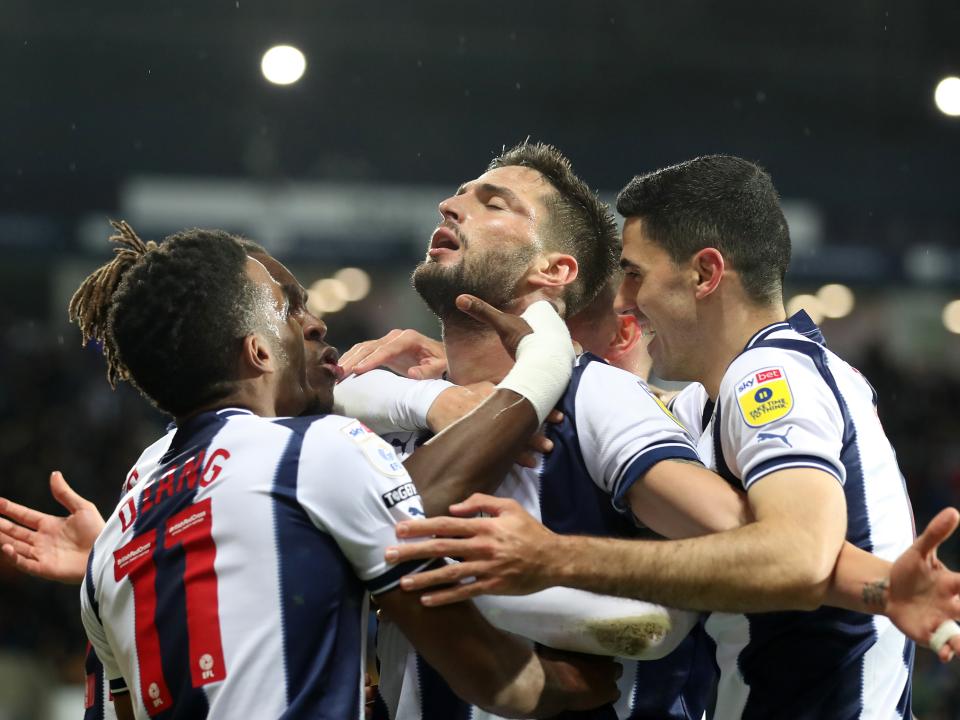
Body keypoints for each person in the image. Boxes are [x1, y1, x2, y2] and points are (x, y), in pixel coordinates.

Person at [382, 155, 960, 718]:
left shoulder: (769, 377)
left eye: (635, 274)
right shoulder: (710, 399)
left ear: (706, 274)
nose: (625, 300)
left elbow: (797, 555)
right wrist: (437, 388)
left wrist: (552, 558)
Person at [63, 223, 619, 719]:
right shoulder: (314, 451)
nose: (316, 322)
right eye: (290, 307)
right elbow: (492, 675)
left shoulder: (112, 543)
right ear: (258, 352)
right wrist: (562, 685)